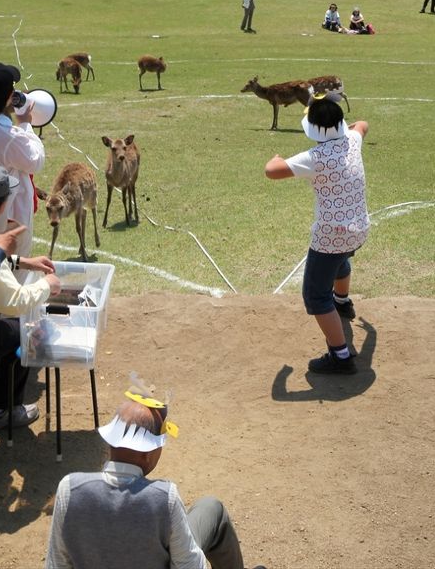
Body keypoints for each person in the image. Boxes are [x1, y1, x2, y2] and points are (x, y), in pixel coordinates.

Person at [45, 383, 266, 569]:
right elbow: (190, 566)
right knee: (211, 508)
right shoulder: (163, 497)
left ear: (110, 444)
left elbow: (57, 564)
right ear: (148, 453)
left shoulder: (69, 489)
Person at [265, 94, 369, 374]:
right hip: (358, 229)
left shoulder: (315, 157)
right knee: (340, 261)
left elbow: (271, 171)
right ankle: (343, 302)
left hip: (331, 235)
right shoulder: (352, 141)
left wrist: (276, 158)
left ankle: (341, 356)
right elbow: (362, 124)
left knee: (315, 295)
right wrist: (350, 130)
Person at [0, 163, 61, 430]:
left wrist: (23, 262)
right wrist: (47, 284)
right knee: (31, 331)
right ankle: (2, 410)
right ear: (1, 207)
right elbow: (15, 301)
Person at [0, 62, 45, 261]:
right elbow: (35, 160)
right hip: (8, 215)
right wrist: (25, 124)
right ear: (7, 98)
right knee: (12, 268)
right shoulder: (10, 137)